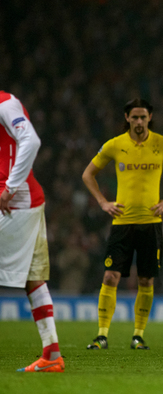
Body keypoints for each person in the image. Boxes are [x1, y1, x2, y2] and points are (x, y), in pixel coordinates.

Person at [82, 98, 163, 350]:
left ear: (149, 117)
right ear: (127, 119)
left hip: (151, 223)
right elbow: (87, 174)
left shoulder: (162, 144)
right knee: (110, 276)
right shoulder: (115, 145)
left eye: (143, 117)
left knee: (146, 280)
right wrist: (102, 202)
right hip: (122, 222)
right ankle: (102, 335)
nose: (138, 122)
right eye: (134, 117)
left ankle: (138, 335)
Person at [0, 91, 64, 373]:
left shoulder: (4, 103)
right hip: (27, 200)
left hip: (15, 201)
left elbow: (31, 140)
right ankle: (52, 355)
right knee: (33, 278)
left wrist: (10, 187)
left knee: (33, 278)